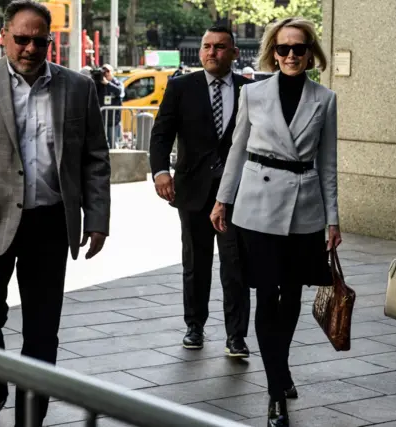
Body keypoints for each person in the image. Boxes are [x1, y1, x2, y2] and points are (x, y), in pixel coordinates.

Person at [0, 1, 111, 425]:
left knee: (41, 331)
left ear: (50, 40)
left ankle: (29, 420)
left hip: (50, 222)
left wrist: (98, 219)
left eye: (40, 40)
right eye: (22, 39)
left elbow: (94, 157)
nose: (30, 48)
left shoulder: (77, 86)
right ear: (4, 36)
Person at [211, 17, 340, 427]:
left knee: (293, 297)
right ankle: (275, 391)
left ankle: (279, 368)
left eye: (298, 49)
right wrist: (222, 199)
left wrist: (333, 219)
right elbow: (236, 150)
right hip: (258, 207)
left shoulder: (325, 99)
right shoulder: (253, 93)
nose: (289, 56)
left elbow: (329, 164)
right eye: (282, 49)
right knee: (267, 296)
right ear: (272, 52)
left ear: (310, 53)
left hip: (305, 209)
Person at [149, 26, 254, 356]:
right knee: (196, 262)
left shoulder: (250, 91)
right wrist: (161, 172)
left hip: (237, 193)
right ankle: (194, 326)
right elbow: (161, 134)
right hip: (192, 190)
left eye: (220, 47)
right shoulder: (181, 87)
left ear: (234, 53)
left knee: (235, 265)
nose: (211, 52)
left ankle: (236, 336)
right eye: (207, 46)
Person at [92, 67, 122, 148]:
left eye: (108, 71)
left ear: (112, 72)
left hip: (113, 120)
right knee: (100, 144)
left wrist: (108, 84)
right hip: (101, 119)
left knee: (113, 143)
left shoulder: (116, 82)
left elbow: (119, 92)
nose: (107, 73)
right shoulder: (98, 84)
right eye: (104, 71)